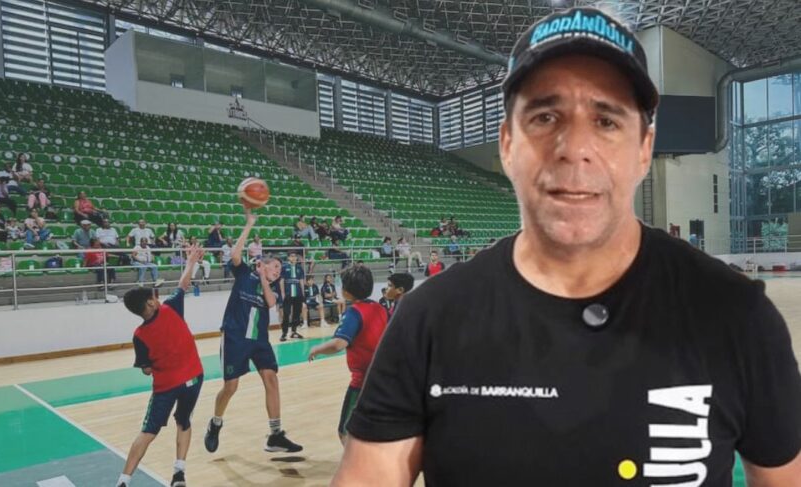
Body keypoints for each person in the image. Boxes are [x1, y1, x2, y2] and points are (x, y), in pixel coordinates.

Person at [333, 8, 801, 486]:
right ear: (507, 144)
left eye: (606, 120)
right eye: (545, 116)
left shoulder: (735, 316)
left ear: (644, 148)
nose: (574, 147)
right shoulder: (429, 320)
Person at [203, 208, 302, 455]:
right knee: (231, 387)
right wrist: (249, 225)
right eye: (275, 266)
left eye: (280, 269)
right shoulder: (245, 274)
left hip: (259, 341)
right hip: (235, 337)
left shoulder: (273, 288)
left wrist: (266, 280)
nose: (278, 271)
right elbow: (235, 255)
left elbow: (271, 302)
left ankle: (275, 435)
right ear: (261, 264)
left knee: (271, 379)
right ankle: (215, 422)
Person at [116, 244, 205, 487]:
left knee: (148, 432)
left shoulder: (139, 335)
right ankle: (179, 473)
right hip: (194, 378)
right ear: (151, 303)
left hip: (166, 386)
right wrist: (191, 260)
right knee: (184, 421)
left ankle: (124, 480)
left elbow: (146, 369)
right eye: (154, 296)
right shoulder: (171, 307)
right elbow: (183, 283)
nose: (157, 298)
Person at [308, 265, 388, 444]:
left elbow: (339, 344)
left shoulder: (353, 313)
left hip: (362, 382)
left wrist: (317, 349)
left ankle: (358, 462)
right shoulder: (380, 308)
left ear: (346, 291)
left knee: (345, 432)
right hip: (384, 379)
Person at [279, 251, 306, 341]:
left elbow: (301, 281)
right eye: (292, 256)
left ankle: (294, 331)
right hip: (288, 294)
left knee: (297, 313)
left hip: (298, 294)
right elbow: (281, 281)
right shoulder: (284, 267)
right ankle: (284, 333)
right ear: (288, 258)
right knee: (286, 314)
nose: (294, 258)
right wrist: (282, 293)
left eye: (295, 256)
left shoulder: (299, 268)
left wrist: (303, 294)